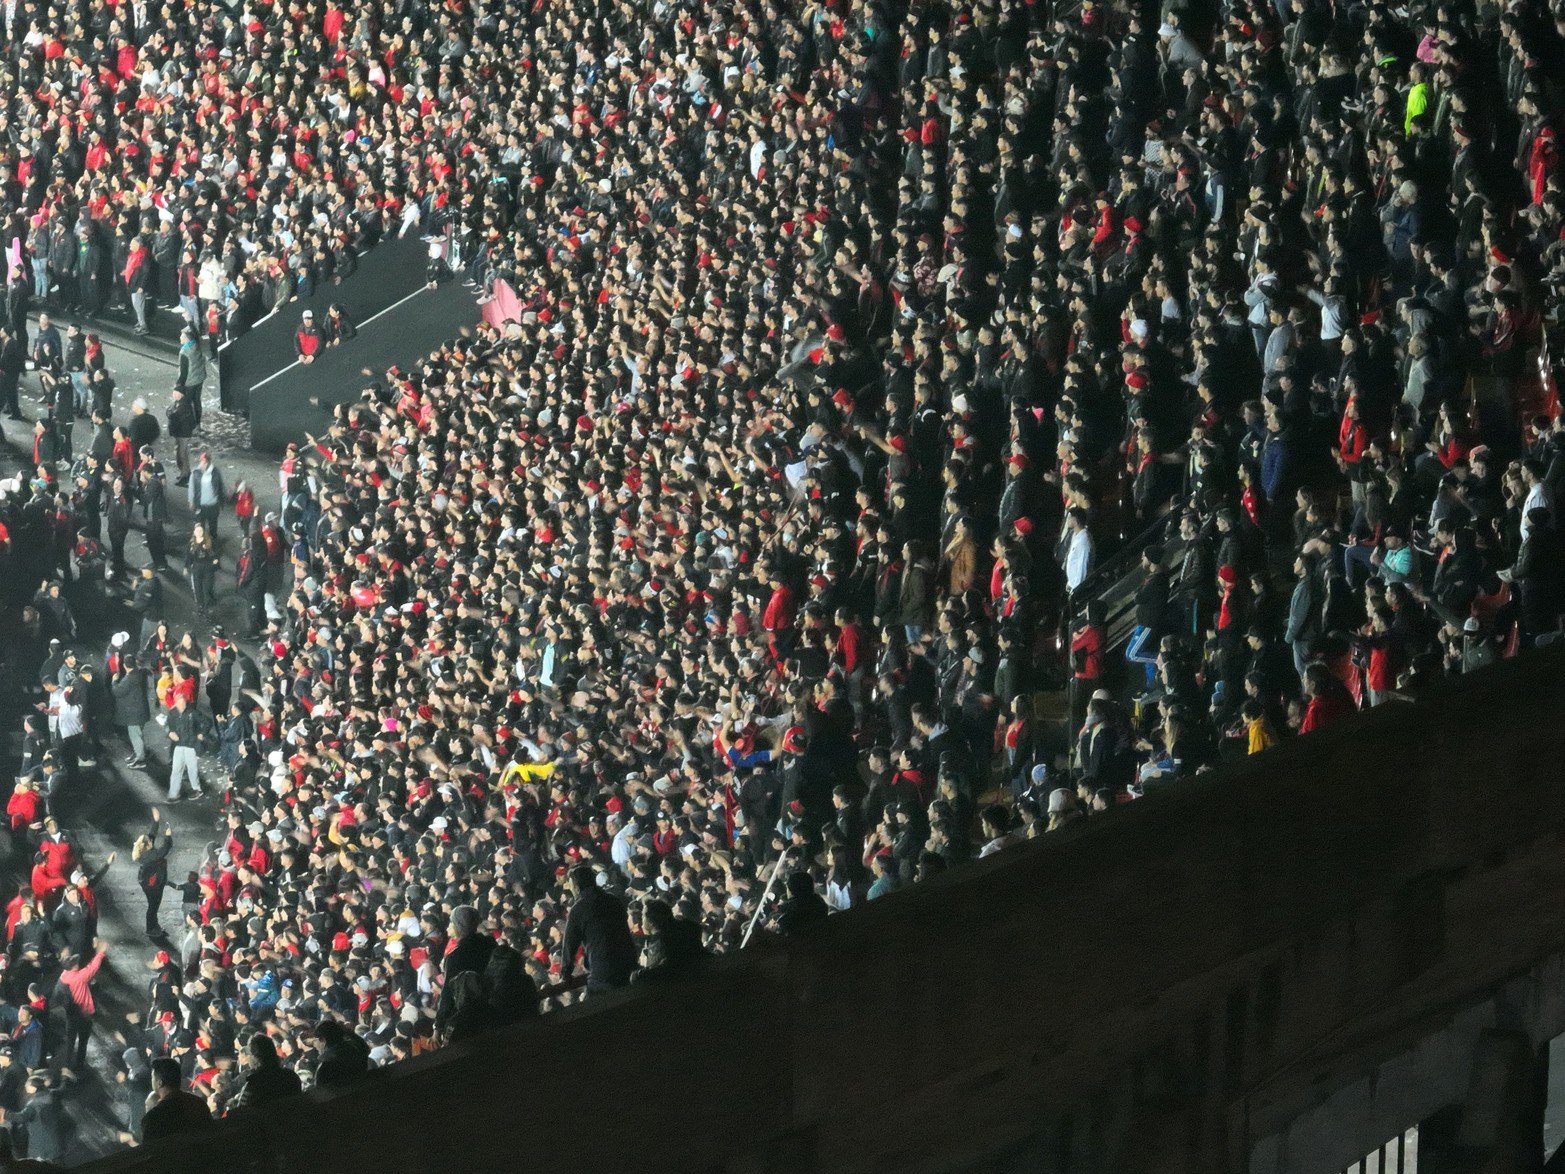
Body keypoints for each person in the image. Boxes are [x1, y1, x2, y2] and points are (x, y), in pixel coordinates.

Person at [560, 865, 638, 993]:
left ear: (576, 886)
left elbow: (569, 945)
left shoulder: (578, 909)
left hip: (603, 972)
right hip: (629, 965)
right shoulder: (613, 900)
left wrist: (565, 973)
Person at [139, 1057, 213, 1142]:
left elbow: (149, 1150)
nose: (151, 1080)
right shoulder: (198, 1103)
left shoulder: (154, 1117)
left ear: (160, 1083)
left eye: (152, 1077)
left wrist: (149, 1110)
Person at [132, 812, 172, 936]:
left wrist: (156, 821)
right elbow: (165, 849)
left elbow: (152, 834)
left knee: (155, 904)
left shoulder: (145, 849)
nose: (152, 841)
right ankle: (150, 928)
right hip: (152, 884)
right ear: (147, 845)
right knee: (153, 905)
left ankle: (154, 925)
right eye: (150, 841)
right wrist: (168, 836)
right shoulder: (150, 855)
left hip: (151, 880)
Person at [234, 1036, 301, 1109]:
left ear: (256, 1057)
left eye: (251, 1054)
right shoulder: (291, 1076)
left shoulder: (253, 1085)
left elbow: (242, 1111)